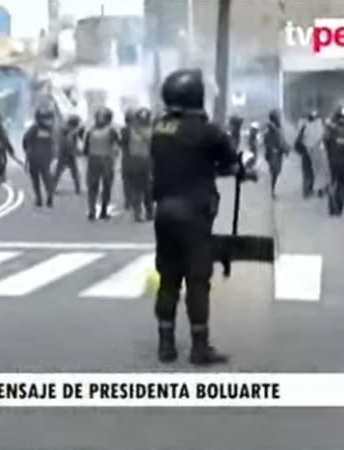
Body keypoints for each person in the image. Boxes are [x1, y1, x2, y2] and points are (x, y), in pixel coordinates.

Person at [151, 69, 255, 366]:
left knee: (168, 279)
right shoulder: (208, 132)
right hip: (194, 215)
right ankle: (199, 348)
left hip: (164, 213)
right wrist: (241, 171)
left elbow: (185, 161)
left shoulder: (160, 128)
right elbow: (232, 164)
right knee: (197, 281)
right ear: (196, 96)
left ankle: (166, 346)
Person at [84, 107, 121, 221]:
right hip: (106, 160)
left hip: (94, 159)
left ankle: (92, 210)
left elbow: (85, 149)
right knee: (106, 187)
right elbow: (119, 144)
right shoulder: (111, 131)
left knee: (93, 187)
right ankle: (103, 211)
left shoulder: (91, 131)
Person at [120, 107, 154, 222]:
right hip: (141, 162)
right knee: (142, 189)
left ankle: (144, 213)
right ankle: (142, 213)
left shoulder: (132, 130)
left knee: (143, 189)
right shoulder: (150, 131)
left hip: (141, 161)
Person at [22, 105, 57, 207]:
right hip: (46, 158)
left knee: (35, 179)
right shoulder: (51, 130)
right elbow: (55, 143)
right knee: (47, 177)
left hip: (34, 158)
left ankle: (39, 199)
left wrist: (27, 150)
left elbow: (25, 140)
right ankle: (49, 194)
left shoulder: (34, 128)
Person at [54, 114, 83, 195]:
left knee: (59, 172)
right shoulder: (70, 131)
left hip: (63, 153)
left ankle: (52, 187)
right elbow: (69, 143)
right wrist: (77, 151)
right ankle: (77, 189)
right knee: (73, 172)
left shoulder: (63, 129)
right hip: (67, 154)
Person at [263, 109, 288, 198]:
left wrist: (285, 149)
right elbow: (267, 140)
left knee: (276, 172)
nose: (279, 118)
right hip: (273, 153)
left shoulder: (278, 127)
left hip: (278, 152)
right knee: (274, 172)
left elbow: (281, 139)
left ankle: (272, 189)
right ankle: (272, 190)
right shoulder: (270, 127)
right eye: (278, 116)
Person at [121, 108, 136, 211]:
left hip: (127, 158)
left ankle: (128, 200)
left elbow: (122, 143)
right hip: (137, 157)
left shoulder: (124, 130)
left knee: (127, 181)